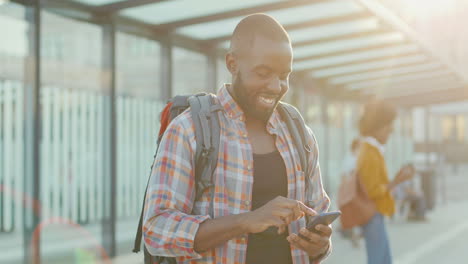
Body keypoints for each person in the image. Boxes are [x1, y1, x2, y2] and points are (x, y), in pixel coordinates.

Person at [142, 14, 331, 264]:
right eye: (263, 73)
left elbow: (319, 218)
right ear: (232, 64)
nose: (276, 86)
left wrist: (320, 245)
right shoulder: (188, 130)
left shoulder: (299, 134)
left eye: (284, 75)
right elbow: (156, 229)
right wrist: (246, 221)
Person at [357, 100, 415, 264]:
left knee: (385, 260)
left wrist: (396, 180)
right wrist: (397, 181)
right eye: (388, 127)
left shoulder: (372, 150)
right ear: (377, 127)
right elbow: (372, 191)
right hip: (373, 215)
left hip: (376, 215)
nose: (391, 131)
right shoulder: (370, 152)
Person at [339, 138, 361, 248]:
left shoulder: (358, 158)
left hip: (357, 192)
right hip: (351, 192)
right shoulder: (349, 159)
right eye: (359, 147)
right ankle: (354, 236)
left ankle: (355, 236)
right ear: (355, 147)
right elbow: (344, 176)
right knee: (353, 215)